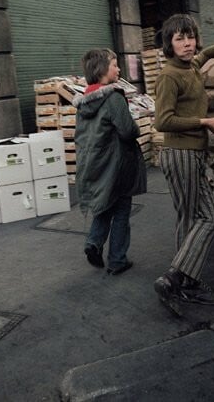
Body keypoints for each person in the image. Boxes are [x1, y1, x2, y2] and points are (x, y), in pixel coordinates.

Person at [153, 14, 214, 311]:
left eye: (190, 36)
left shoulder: (190, 65)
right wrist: (205, 121)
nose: (188, 43)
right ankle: (175, 279)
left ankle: (183, 285)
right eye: (180, 38)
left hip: (192, 153)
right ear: (169, 44)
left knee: (190, 219)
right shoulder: (169, 75)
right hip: (181, 154)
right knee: (207, 218)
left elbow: (206, 54)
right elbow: (162, 121)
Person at [73, 49, 147, 275]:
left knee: (104, 206)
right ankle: (117, 260)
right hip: (117, 164)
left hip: (96, 163)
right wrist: (137, 127)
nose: (119, 69)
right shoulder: (113, 97)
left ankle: (94, 243)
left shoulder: (84, 100)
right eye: (115, 65)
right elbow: (127, 130)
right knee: (122, 210)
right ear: (103, 70)